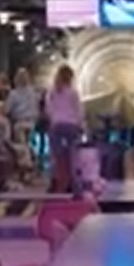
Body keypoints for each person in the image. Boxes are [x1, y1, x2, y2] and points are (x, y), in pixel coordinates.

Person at [47, 65, 91, 196]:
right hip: (72, 126)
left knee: (56, 157)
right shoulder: (73, 92)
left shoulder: (52, 92)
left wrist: (54, 120)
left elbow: (49, 109)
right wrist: (82, 126)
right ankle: (75, 186)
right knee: (73, 157)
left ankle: (56, 183)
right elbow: (79, 111)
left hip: (56, 126)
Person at [4, 68, 41, 158]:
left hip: (19, 123)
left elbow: (7, 110)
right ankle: (31, 157)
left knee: (22, 145)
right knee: (27, 143)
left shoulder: (13, 94)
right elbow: (37, 106)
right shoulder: (33, 93)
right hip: (32, 122)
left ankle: (26, 161)